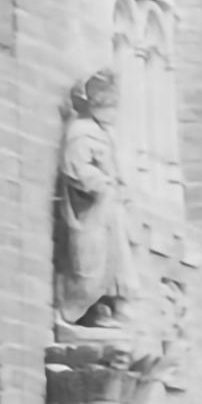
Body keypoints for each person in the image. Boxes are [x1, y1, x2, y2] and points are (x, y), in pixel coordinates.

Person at [52, 70, 145, 331]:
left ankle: (102, 310)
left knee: (114, 264)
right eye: (112, 106)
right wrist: (101, 183)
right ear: (98, 105)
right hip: (89, 211)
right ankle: (69, 313)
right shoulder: (81, 131)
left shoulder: (104, 132)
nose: (116, 113)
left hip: (109, 213)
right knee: (88, 268)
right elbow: (76, 168)